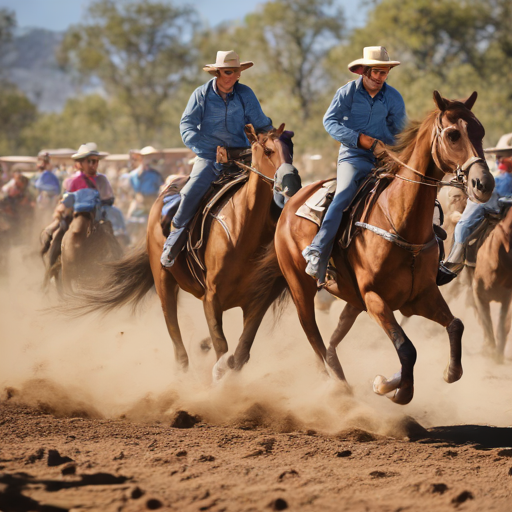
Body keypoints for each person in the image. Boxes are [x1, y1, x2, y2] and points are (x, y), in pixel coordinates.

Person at [160, 50, 274, 268]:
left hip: (243, 156)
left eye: (236, 72)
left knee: (275, 188)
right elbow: (187, 126)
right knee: (192, 191)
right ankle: (174, 238)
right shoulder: (201, 95)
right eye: (227, 72)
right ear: (218, 72)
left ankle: (286, 241)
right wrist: (210, 149)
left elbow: (260, 122)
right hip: (209, 158)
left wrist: (273, 136)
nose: (231, 76)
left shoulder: (245, 94)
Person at [302, 46, 406, 283]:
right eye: (376, 72)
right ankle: (317, 251)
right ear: (364, 71)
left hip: (386, 160)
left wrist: (394, 151)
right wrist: (361, 140)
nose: (380, 77)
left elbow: (400, 132)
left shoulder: (394, 98)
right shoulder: (347, 92)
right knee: (344, 193)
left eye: (385, 72)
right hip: (353, 157)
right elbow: (330, 122)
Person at [439, 133, 512, 282]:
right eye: (502, 156)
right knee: (466, 219)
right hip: (496, 201)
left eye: (506, 155)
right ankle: (457, 255)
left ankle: (456, 256)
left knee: (469, 216)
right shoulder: (493, 173)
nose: (502, 159)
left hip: (499, 200)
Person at [41, 143, 127, 250]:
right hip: (76, 213)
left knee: (115, 225)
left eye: (95, 161)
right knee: (61, 230)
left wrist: (104, 201)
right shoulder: (73, 181)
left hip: (99, 214)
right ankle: (52, 251)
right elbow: (66, 199)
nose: (93, 164)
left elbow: (108, 198)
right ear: (81, 163)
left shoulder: (102, 179)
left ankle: (120, 250)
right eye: (89, 161)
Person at [126, 146, 164, 219]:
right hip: (138, 204)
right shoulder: (133, 175)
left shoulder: (155, 175)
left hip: (152, 203)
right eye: (147, 157)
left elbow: (160, 189)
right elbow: (132, 192)